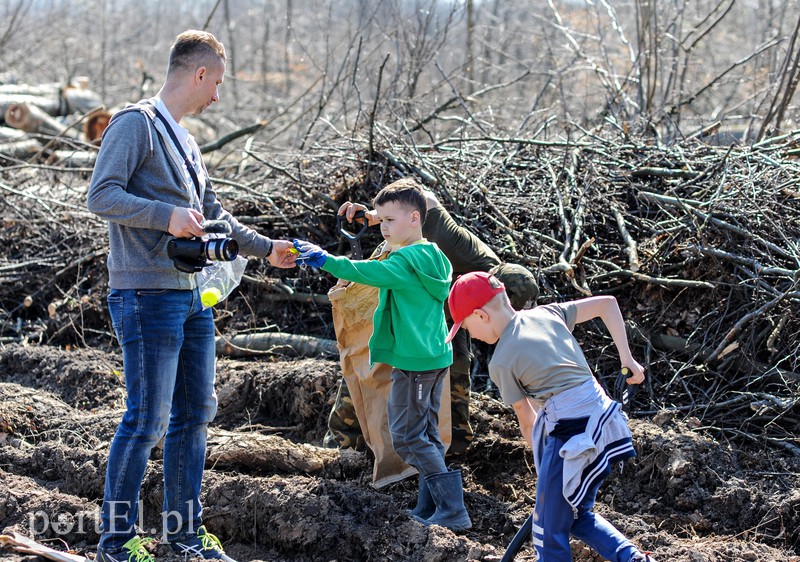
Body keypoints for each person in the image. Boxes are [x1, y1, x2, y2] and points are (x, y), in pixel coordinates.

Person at [87, 30, 296, 562]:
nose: (218, 97)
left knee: (194, 414)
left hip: (190, 295)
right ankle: (116, 542)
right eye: (218, 83)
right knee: (145, 420)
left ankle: (182, 535)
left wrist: (268, 247)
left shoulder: (186, 142)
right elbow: (101, 194)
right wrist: (168, 218)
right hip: (145, 295)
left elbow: (215, 215)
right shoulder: (135, 125)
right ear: (198, 73)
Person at [293, 179, 472, 531]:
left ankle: (453, 509)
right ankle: (428, 505)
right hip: (434, 358)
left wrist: (326, 259)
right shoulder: (433, 254)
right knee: (428, 434)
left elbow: (366, 272)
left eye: (389, 220)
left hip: (416, 364)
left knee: (408, 435)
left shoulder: (406, 261)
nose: (382, 226)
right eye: (381, 219)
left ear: (415, 218)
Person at [446, 272, 655, 562]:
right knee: (576, 514)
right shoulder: (547, 314)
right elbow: (607, 304)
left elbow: (528, 421)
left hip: (572, 435)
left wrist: (545, 476)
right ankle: (633, 559)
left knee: (546, 530)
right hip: (604, 420)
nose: (471, 335)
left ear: (481, 316)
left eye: (466, 327)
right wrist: (627, 359)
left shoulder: (502, 361)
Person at [327, 189, 539, 458]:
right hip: (402, 297)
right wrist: (375, 216)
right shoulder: (449, 239)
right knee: (370, 362)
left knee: (456, 380)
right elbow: (424, 196)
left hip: (446, 317)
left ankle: (452, 451)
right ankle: (342, 445)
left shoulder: (503, 294)